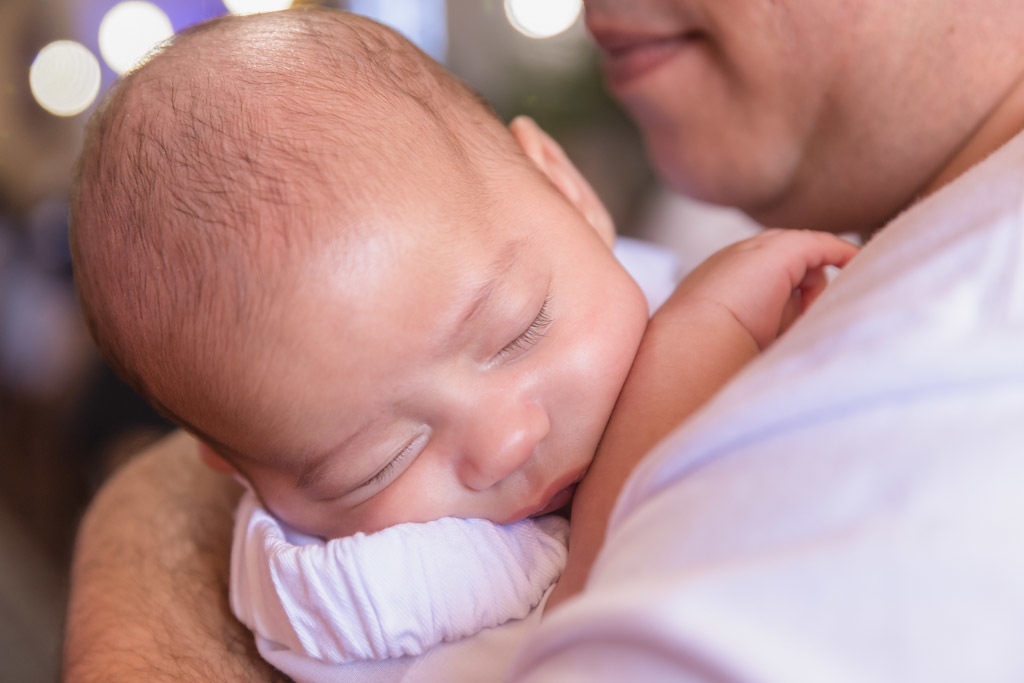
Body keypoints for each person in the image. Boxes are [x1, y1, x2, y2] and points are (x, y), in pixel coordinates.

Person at [63, 0, 1024, 680]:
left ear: (566, 186)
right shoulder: (362, 594)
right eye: (374, 460)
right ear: (246, 474)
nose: (505, 442)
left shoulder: (959, 370)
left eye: (522, 327)